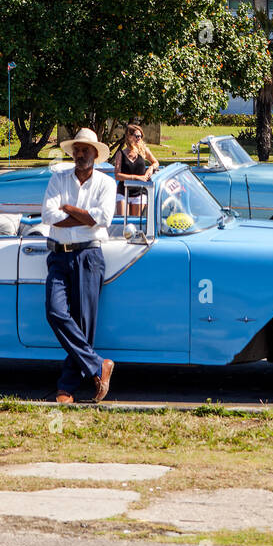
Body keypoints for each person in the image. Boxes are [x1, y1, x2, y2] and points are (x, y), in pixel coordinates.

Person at [41, 128, 117, 405]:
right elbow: (49, 215)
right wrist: (86, 218)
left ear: (95, 154)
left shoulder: (106, 184)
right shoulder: (58, 178)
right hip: (58, 256)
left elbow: (103, 219)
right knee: (54, 311)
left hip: (89, 255)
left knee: (84, 324)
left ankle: (67, 387)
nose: (80, 153)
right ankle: (99, 366)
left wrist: (68, 208)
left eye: (86, 149)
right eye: (77, 149)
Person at [112, 122, 159, 217]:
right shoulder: (120, 154)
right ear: (129, 136)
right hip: (123, 191)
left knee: (136, 223)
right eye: (137, 136)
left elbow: (156, 162)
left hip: (139, 192)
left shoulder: (143, 151)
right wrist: (137, 178)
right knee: (123, 222)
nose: (139, 138)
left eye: (141, 136)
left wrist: (150, 168)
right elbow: (117, 175)